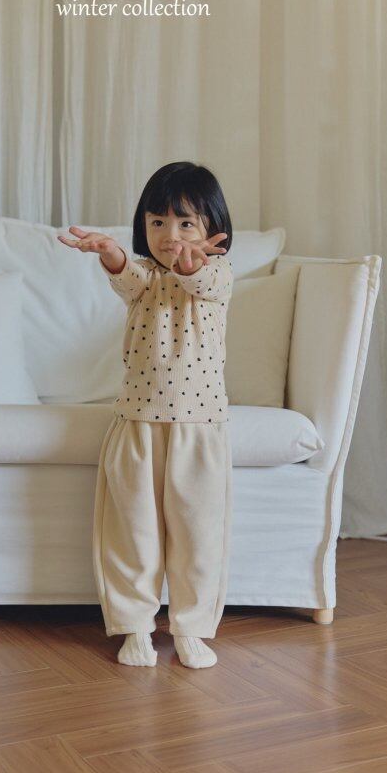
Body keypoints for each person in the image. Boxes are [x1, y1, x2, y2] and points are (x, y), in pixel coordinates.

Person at [57, 161, 234, 669]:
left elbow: (200, 280)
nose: (170, 236)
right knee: (132, 533)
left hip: (198, 428)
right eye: (157, 222)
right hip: (137, 423)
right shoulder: (144, 280)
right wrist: (110, 252)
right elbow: (128, 277)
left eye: (186, 223)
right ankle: (135, 626)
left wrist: (191, 264)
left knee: (198, 536)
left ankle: (191, 628)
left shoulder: (217, 275)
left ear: (212, 230)